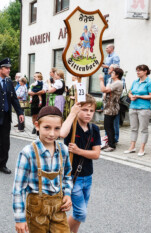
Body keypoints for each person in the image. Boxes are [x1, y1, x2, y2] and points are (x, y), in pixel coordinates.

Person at [13, 106, 72, 233]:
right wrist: (19, 219)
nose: (52, 133)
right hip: (36, 212)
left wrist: (67, 194)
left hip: (58, 209)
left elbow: (67, 175)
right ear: (37, 125)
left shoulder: (64, 150)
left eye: (57, 129)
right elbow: (18, 189)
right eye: (47, 127)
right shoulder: (28, 153)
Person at [60, 95, 101, 233]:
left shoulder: (94, 129)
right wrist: (72, 114)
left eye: (91, 110)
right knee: (81, 213)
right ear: (78, 110)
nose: (88, 113)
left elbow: (96, 154)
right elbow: (61, 134)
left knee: (79, 213)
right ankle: (58, 230)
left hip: (88, 176)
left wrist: (78, 151)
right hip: (73, 177)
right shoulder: (71, 127)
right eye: (84, 110)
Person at [125, 65, 151, 156]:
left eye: (140, 71)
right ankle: (132, 147)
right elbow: (130, 93)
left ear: (145, 71)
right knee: (133, 128)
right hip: (133, 107)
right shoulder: (135, 82)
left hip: (144, 109)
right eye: (137, 71)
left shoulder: (150, 82)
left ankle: (142, 148)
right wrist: (131, 97)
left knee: (144, 129)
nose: (137, 72)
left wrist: (139, 96)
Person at [99, 67, 124, 152]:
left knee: (108, 126)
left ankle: (111, 145)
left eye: (113, 73)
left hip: (112, 108)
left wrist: (101, 80)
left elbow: (104, 90)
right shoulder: (114, 82)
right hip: (109, 107)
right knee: (108, 126)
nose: (111, 73)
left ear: (117, 75)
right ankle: (110, 143)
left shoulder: (118, 83)